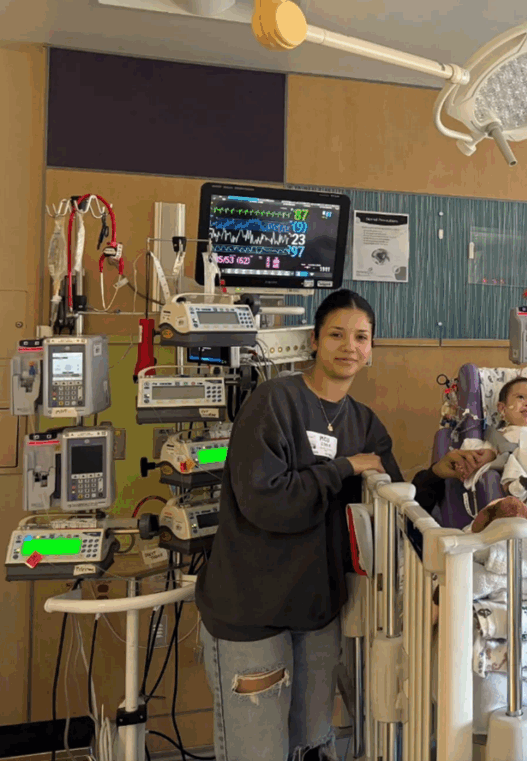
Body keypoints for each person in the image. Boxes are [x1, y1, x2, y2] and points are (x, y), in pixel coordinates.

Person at [195, 289, 402, 761]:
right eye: (337, 334)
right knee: (260, 752)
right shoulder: (274, 402)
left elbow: (393, 502)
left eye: (361, 337)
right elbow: (269, 503)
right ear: (314, 340)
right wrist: (343, 468)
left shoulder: (364, 423)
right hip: (252, 614)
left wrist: (443, 476)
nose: (349, 346)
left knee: (311, 745)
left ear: (371, 349)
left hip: (316, 612)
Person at [414, 376, 527, 530]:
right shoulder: (501, 434)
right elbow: (487, 453)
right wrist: (480, 460)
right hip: (523, 473)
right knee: (515, 460)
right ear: (502, 409)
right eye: (521, 398)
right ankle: (516, 490)